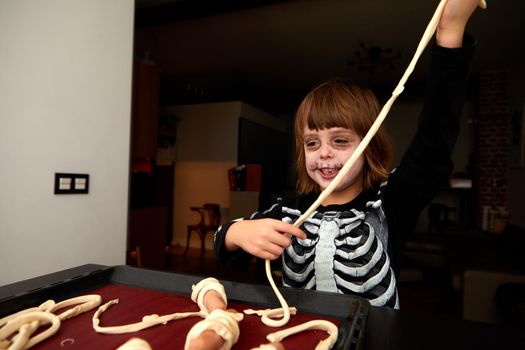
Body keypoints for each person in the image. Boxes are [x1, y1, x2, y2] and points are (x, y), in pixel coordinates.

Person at [214, 0, 481, 309]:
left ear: (369, 147)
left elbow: (434, 141)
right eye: (312, 143)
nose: (323, 154)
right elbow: (221, 243)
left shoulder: (390, 201)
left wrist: (450, 30)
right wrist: (236, 232)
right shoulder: (289, 210)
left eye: (340, 141)